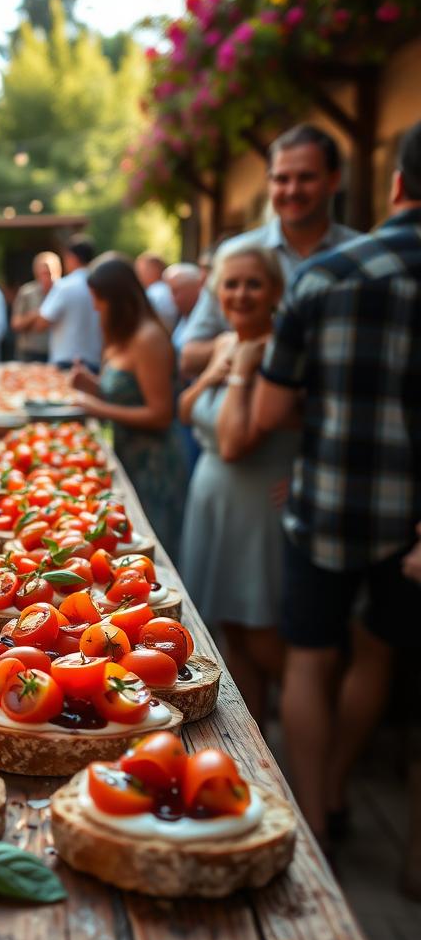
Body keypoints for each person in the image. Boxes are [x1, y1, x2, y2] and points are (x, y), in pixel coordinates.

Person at [251, 120, 421, 850]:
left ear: (396, 183)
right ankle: (351, 788)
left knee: (311, 657)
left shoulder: (325, 273)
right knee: (378, 653)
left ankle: (317, 818)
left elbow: (269, 409)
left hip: (323, 497)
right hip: (410, 519)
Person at [176, 245, 297, 722]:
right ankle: (256, 729)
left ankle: (306, 712)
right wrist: (213, 374)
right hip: (211, 494)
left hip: (258, 502)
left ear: (276, 293)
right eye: (231, 284)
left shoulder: (278, 353)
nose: (240, 294)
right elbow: (185, 411)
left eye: (253, 284)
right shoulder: (224, 343)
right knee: (228, 627)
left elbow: (232, 443)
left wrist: (243, 372)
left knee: (262, 630)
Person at [180, 124, 359, 382]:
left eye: (306, 177)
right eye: (281, 179)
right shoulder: (236, 256)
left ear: (333, 180)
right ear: (269, 183)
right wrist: (244, 344)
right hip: (251, 415)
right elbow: (189, 356)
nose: (292, 190)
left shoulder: (360, 255)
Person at [70, 254, 187, 557]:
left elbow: (160, 415)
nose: (96, 308)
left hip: (154, 465)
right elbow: (125, 394)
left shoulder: (149, 339)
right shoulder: (123, 337)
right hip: (129, 456)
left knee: (151, 552)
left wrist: (97, 408)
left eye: (99, 300)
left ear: (118, 300)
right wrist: (91, 385)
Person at [164, 261, 209, 472]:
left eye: (177, 292)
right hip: (185, 404)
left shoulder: (207, 320)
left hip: (200, 407)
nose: (173, 299)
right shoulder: (184, 318)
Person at [34, 235, 101, 371]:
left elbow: (41, 324)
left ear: (72, 257)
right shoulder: (101, 285)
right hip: (96, 360)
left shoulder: (64, 286)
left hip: (66, 361)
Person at [9, 251, 61, 362]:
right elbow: (15, 324)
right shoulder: (27, 292)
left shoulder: (63, 292)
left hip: (57, 352)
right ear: (36, 272)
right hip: (30, 352)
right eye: (44, 273)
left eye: (51, 272)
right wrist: (35, 315)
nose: (49, 277)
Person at [136, 251, 179, 331]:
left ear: (155, 269)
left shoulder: (157, 293)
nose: (138, 275)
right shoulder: (163, 290)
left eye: (141, 269)